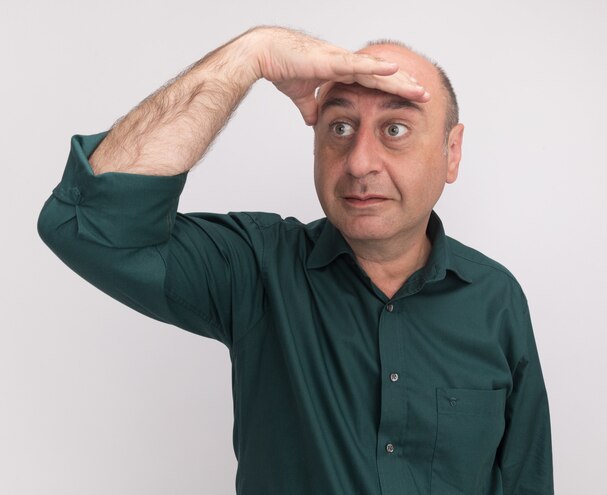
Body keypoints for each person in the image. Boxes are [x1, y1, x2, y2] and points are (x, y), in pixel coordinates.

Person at [38, 26, 553, 494]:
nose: (359, 162)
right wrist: (251, 53)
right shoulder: (257, 267)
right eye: (340, 128)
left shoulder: (496, 299)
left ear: (451, 152)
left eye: (394, 129)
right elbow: (88, 223)